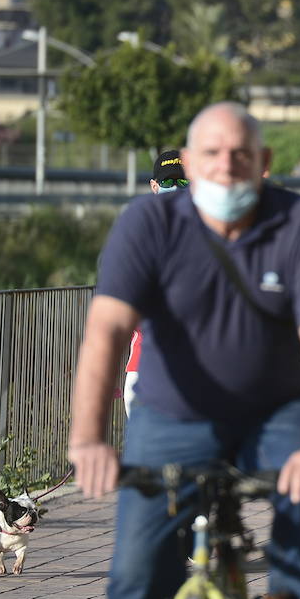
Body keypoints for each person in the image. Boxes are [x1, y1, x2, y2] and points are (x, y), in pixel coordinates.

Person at [67, 103, 300, 599]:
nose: (227, 166)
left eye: (241, 153)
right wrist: (89, 439)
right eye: (212, 154)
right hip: (172, 419)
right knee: (136, 577)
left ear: (264, 162)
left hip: (276, 413)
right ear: (188, 164)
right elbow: (107, 332)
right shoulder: (148, 224)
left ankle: (281, 598)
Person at [122, 150, 189, 416]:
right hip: (145, 362)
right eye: (168, 183)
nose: (175, 188)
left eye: (182, 183)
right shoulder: (138, 234)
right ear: (154, 186)